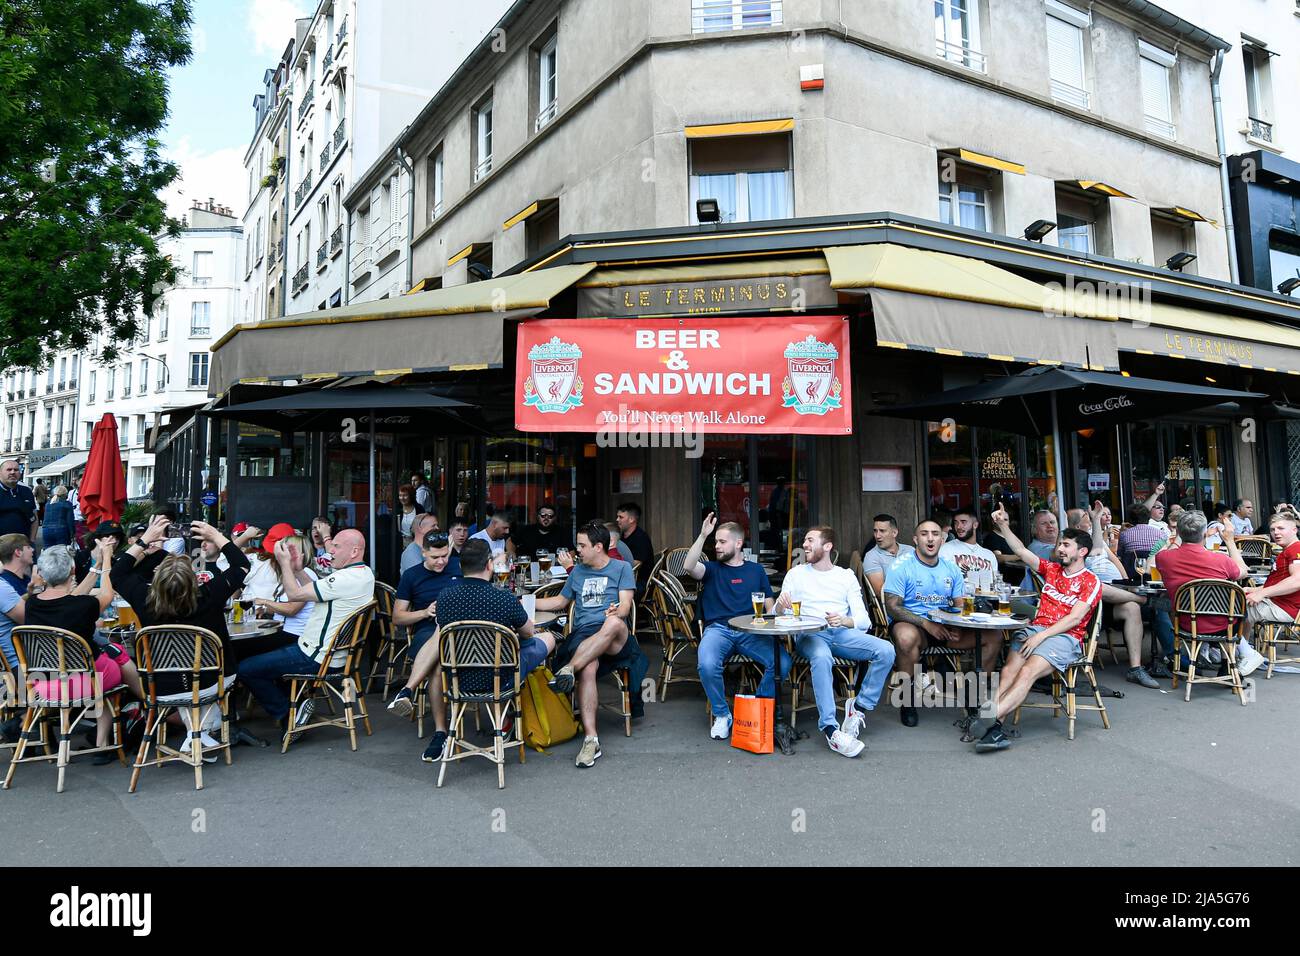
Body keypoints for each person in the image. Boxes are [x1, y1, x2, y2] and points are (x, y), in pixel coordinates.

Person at [389, 538, 556, 764]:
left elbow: (440, 636)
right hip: (501, 680)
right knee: (547, 638)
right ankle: (527, 714)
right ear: (489, 565)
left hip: (459, 681)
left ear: (460, 566)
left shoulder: (446, 598)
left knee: (440, 639)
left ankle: (410, 690)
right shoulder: (504, 598)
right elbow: (528, 633)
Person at [112, 516, 254, 752]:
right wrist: (216, 536)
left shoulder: (144, 599)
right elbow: (241, 565)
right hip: (211, 681)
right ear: (193, 580)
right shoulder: (209, 594)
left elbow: (117, 574)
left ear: (155, 582)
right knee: (204, 680)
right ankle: (202, 733)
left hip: (161, 685)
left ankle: (198, 733)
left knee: (188, 682)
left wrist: (145, 540)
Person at [971, 506, 1102, 753]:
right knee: (1010, 669)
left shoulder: (1090, 581)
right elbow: (1020, 550)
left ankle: (988, 717)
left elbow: (1075, 619)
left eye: (1066, 545)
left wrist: (1041, 636)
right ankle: (992, 726)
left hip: (1064, 637)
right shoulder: (1051, 570)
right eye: (1060, 544)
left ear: (1082, 551)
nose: (1060, 548)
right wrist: (1003, 525)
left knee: (1027, 672)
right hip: (1036, 630)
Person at [237, 528, 375, 737]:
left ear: (354, 551)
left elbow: (295, 595)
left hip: (316, 656)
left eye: (336, 547)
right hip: (326, 652)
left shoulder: (345, 579)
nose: (331, 552)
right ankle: (297, 707)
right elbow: (317, 593)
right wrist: (300, 570)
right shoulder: (363, 574)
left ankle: (288, 716)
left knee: (245, 668)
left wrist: (285, 564)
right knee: (264, 658)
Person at [776, 526, 896, 756]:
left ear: (827, 546)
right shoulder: (796, 574)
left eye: (810, 540)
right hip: (810, 635)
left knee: (886, 650)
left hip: (841, 633)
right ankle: (830, 728)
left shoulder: (845, 576)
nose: (805, 545)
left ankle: (859, 707)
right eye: (805, 541)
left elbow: (863, 620)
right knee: (822, 656)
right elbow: (780, 618)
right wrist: (781, 606)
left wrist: (845, 620)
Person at [535, 522, 645, 768]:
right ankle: (591, 740)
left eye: (582, 546)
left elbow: (626, 605)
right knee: (589, 667)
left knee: (615, 623)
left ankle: (567, 670)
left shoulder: (621, 568)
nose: (577, 551)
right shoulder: (577, 572)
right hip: (585, 636)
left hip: (615, 638)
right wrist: (524, 602)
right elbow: (560, 601)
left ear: (598, 547)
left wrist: (618, 609)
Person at [27, 542, 142, 760]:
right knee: (115, 657)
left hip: (42, 683)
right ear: (72, 571)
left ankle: (105, 740)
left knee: (108, 659)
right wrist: (107, 559)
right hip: (81, 683)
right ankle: (105, 740)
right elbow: (107, 594)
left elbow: (69, 599)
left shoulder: (33, 604)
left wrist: (95, 566)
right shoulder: (83, 606)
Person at [682, 513, 787, 740]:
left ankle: (756, 709)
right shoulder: (711, 569)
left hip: (751, 630)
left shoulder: (756, 571)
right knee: (707, 665)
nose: (717, 546)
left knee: (783, 662)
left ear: (738, 543)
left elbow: (770, 609)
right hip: (718, 630)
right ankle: (722, 715)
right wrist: (703, 535)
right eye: (716, 541)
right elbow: (688, 565)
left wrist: (779, 610)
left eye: (722, 541)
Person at [884, 519, 998, 728]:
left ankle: (971, 693)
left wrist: (958, 624)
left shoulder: (950, 568)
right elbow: (892, 607)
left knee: (992, 637)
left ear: (942, 539)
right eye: (924, 534)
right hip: (915, 625)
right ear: (915, 539)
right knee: (905, 637)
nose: (930, 538)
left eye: (935, 534)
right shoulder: (901, 566)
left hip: (946, 626)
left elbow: (960, 603)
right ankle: (907, 701)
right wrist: (927, 625)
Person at [1068, 504, 1160, 688]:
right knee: (1099, 587)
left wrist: (1126, 581)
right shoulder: (1071, 547)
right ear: (1079, 526)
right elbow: (1092, 552)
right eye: (1087, 516)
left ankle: (1135, 668)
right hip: (1092, 601)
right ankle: (1136, 598)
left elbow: (1114, 559)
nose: (1091, 516)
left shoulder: (1097, 541)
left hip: (1116, 593)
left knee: (1132, 609)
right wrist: (1096, 520)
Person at [1156, 510, 1257, 674]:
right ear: (1205, 533)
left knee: (1163, 602)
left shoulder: (1164, 558)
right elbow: (1243, 571)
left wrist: (1179, 537)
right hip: (1223, 624)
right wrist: (1230, 541)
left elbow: (1169, 549)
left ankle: (1201, 659)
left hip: (1186, 624)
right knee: (1235, 607)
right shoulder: (1221, 560)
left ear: (1179, 532)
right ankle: (1227, 664)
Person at [252, 533, 319, 638]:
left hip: (295, 635)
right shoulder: (289, 573)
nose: (278, 554)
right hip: (281, 630)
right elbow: (282, 608)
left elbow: (291, 609)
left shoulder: (307, 574)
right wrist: (264, 609)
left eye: (283, 550)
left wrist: (263, 601)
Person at [1244, 511, 1300, 634]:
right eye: (1273, 529)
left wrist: (1262, 593)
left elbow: (1297, 581)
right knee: (1238, 601)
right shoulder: (1289, 549)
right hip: (1279, 604)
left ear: (1294, 530)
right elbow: (1279, 583)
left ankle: (1238, 649)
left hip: (1285, 608)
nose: (1276, 533)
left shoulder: (1296, 548)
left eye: (1281, 528)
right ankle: (1241, 647)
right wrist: (1254, 590)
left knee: (1234, 610)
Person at [939, 506, 999, 592]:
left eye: (963, 522)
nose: (958, 527)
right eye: (956, 523)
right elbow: (942, 582)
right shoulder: (946, 549)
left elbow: (995, 584)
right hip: (957, 601)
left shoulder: (989, 555)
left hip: (985, 602)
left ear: (975, 525)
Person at [861, 514, 915, 597]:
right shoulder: (871, 557)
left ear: (894, 533)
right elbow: (881, 594)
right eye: (875, 531)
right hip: (896, 605)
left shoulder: (910, 550)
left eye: (882, 531)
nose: (877, 536)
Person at [616, 502, 654, 593]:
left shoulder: (640, 538)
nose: (617, 519)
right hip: (626, 579)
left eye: (621, 517)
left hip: (639, 582)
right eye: (617, 516)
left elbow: (635, 565)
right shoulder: (622, 537)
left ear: (631, 519)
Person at [0, 459, 37, 539]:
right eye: (9, 469)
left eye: (16, 470)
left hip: (23, 545)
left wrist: (32, 540)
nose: (13, 472)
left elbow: (34, 519)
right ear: (0, 472)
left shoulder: (26, 491)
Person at [396, 484, 426, 549]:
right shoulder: (397, 509)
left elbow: (424, 526)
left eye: (405, 495)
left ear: (411, 496)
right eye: (400, 495)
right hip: (401, 543)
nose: (402, 498)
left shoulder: (419, 509)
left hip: (416, 543)